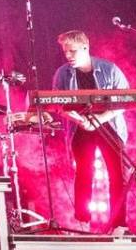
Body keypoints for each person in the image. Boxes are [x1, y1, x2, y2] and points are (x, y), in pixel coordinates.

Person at [51, 30, 131, 233]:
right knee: (84, 172)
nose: (68, 56)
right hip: (81, 126)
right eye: (65, 51)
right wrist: (79, 120)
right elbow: (59, 105)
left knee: (117, 174)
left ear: (85, 47)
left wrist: (100, 120)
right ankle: (82, 221)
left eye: (72, 51)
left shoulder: (109, 69)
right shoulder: (62, 74)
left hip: (109, 125)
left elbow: (125, 101)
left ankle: (119, 224)